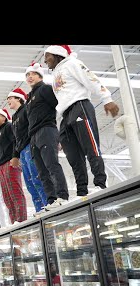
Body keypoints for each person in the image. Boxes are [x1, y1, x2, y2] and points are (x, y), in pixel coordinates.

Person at [44, 45, 120, 197]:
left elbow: (91, 79)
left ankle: (100, 183)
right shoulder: (56, 74)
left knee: (91, 147)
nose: (45, 60)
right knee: (73, 157)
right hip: (66, 114)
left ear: (57, 53)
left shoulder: (72, 64)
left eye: (47, 56)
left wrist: (107, 98)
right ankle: (82, 191)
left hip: (80, 106)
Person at [24, 63, 70, 211]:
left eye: (32, 74)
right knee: (41, 172)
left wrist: (60, 133)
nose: (29, 77)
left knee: (52, 165)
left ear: (40, 75)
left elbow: (59, 106)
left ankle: (62, 196)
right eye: (27, 75)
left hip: (47, 130)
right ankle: (51, 200)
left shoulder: (45, 88)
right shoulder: (29, 98)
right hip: (33, 136)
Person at [7, 88, 48, 213]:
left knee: (37, 177)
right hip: (22, 151)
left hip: (31, 146)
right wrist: (15, 155)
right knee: (29, 183)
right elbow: (15, 138)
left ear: (19, 98)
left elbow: (33, 126)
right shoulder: (14, 117)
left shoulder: (26, 109)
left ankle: (47, 204)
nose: (8, 101)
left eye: (10, 98)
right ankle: (39, 209)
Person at [0, 108, 27, 224]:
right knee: (7, 197)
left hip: (10, 162)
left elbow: (15, 141)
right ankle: (13, 222)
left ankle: (21, 220)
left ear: (4, 117)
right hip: (2, 166)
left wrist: (15, 156)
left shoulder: (8, 126)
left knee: (15, 192)